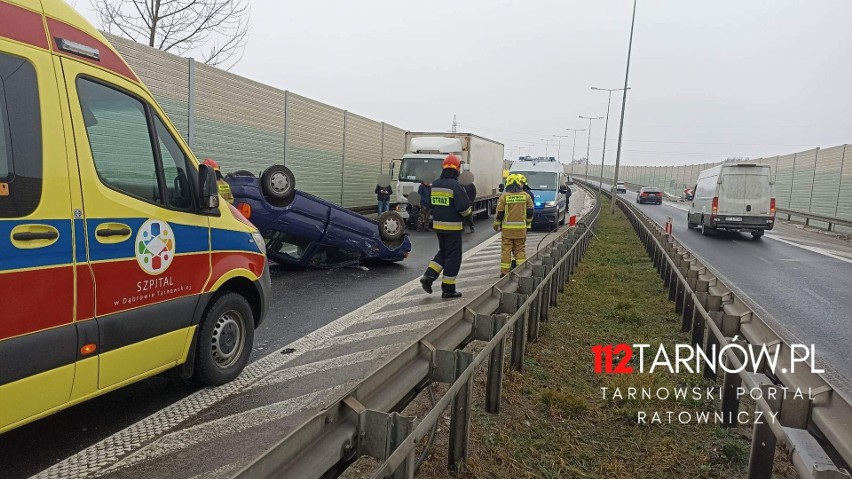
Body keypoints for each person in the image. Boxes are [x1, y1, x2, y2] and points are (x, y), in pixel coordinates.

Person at [420, 154, 472, 299]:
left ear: (443, 167)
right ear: (457, 169)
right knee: (453, 257)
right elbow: (463, 208)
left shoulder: (435, 184)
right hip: (453, 228)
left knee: (443, 252)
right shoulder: (456, 186)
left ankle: (428, 276)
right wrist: (469, 216)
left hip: (438, 226)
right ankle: (448, 289)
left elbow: (430, 204)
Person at [494, 174, 533, 277]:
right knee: (520, 250)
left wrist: (496, 225)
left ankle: (504, 273)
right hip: (521, 230)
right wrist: (528, 224)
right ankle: (521, 272)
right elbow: (530, 213)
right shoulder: (526, 196)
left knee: (506, 250)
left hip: (507, 231)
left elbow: (500, 214)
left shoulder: (504, 197)